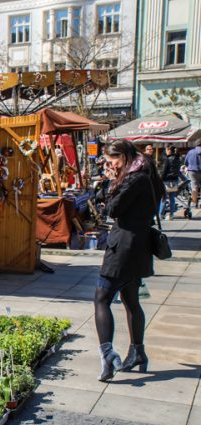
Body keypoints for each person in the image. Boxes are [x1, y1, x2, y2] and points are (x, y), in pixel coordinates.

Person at [94, 140, 164, 382]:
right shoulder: (148, 175)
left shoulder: (134, 179)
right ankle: (138, 351)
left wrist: (110, 183)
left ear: (122, 156)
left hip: (123, 248)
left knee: (102, 298)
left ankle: (107, 355)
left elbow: (113, 209)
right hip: (140, 247)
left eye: (111, 161)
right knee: (131, 299)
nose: (109, 165)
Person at [159, 146, 184, 220]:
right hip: (175, 180)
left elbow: (164, 171)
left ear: (169, 150)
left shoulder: (167, 159)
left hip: (166, 180)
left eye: (166, 150)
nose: (166, 151)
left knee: (163, 198)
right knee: (172, 198)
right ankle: (171, 215)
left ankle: (161, 214)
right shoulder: (178, 159)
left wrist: (160, 179)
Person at [186, 143, 201, 208]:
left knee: (194, 187)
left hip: (192, 171)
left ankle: (194, 203)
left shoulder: (190, 152)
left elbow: (186, 162)